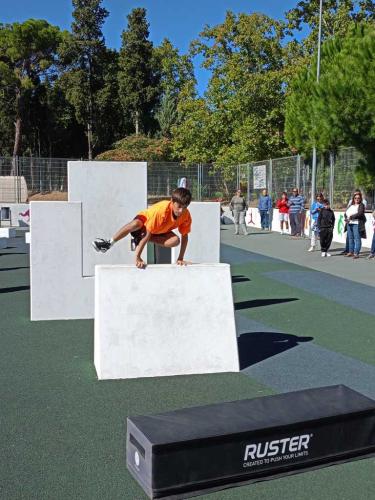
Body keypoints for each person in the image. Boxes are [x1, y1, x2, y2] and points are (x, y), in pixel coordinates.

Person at [92, 187, 192, 269]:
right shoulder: (160, 212)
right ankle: (109, 243)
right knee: (136, 224)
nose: (180, 211)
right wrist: (138, 257)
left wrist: (180, 258)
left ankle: (138, 240)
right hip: (143, 227)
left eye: (184, 207)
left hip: (157, 231)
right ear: (171, 201)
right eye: (178, 206)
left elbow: (185, 236)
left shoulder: (186, 215)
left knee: (175, 241)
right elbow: (147, 235)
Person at [342, 189, 367, 255]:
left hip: (357, 224)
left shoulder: (361, 205)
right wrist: (346, 218)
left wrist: (351, 217)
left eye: (358, 198)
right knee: (350, 238)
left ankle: (356, 252)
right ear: (353, 198)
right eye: (355, 198)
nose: (357, 199)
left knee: (357, 238)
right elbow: (345, 213)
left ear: (360, 198)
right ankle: (351, 251)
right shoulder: (351, 205)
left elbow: (360, 213)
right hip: (349, 223)